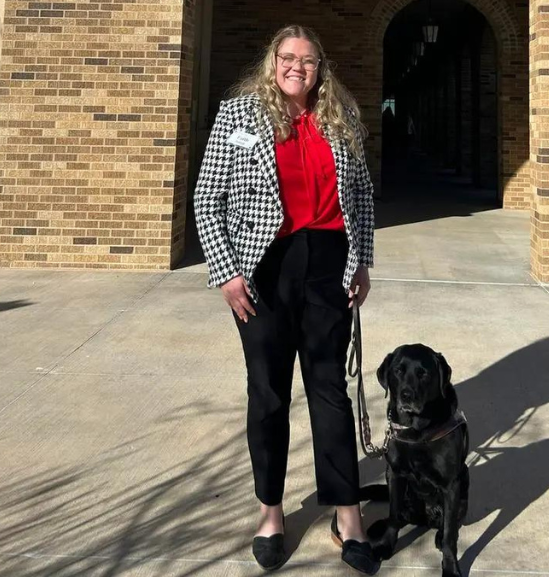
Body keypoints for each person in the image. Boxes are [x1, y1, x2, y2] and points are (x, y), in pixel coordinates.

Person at [193, 24, 378, 575]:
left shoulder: (340, 119)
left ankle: (348, 515)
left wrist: (361, 260)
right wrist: (227, 274)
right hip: (264, 268)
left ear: (322, 68)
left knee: (330, 392)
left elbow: (363, 195)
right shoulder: (239, 115)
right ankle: (270, 511)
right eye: (288, 57)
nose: (298, 66)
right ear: (273, 62)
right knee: (269, 393)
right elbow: (208, 199)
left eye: (309, 59)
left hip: (327, 263)